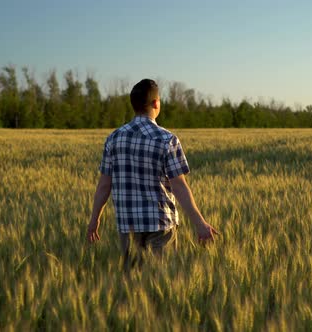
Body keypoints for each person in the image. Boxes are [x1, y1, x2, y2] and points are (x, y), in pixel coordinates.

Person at [86, 78, 218, 269]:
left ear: (134, 105)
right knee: (159, 282)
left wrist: (94, 220)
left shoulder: (113, 138)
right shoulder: (167, 139)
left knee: (132, 287)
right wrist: (200, 223)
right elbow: (179, 185)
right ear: (156, 103)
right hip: (160, 225)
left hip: (127, 225)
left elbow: (104, 186)